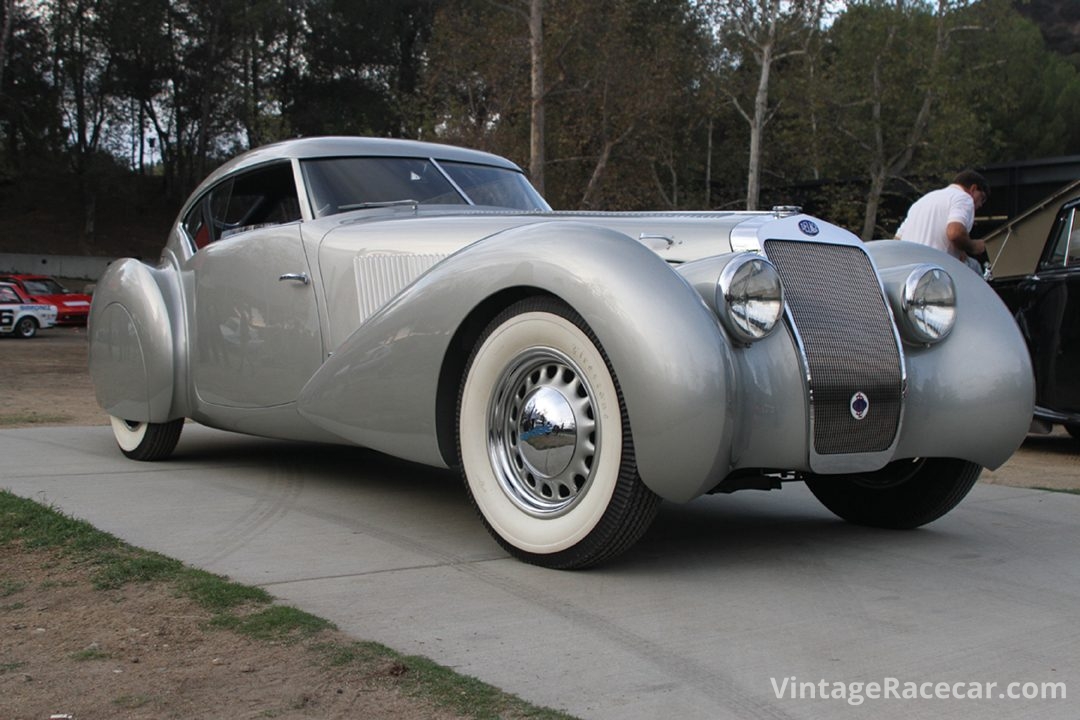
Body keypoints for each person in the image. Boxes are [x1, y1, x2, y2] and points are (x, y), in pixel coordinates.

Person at [895, 170, 990, 273]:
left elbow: (896, 241)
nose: (980, 205)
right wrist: (973, 246)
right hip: (936, 275)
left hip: (909, 274)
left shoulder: (922, 201)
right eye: (982, 199)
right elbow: (955, 233)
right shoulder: (964, 198)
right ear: (973, 189)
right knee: (975, 269)